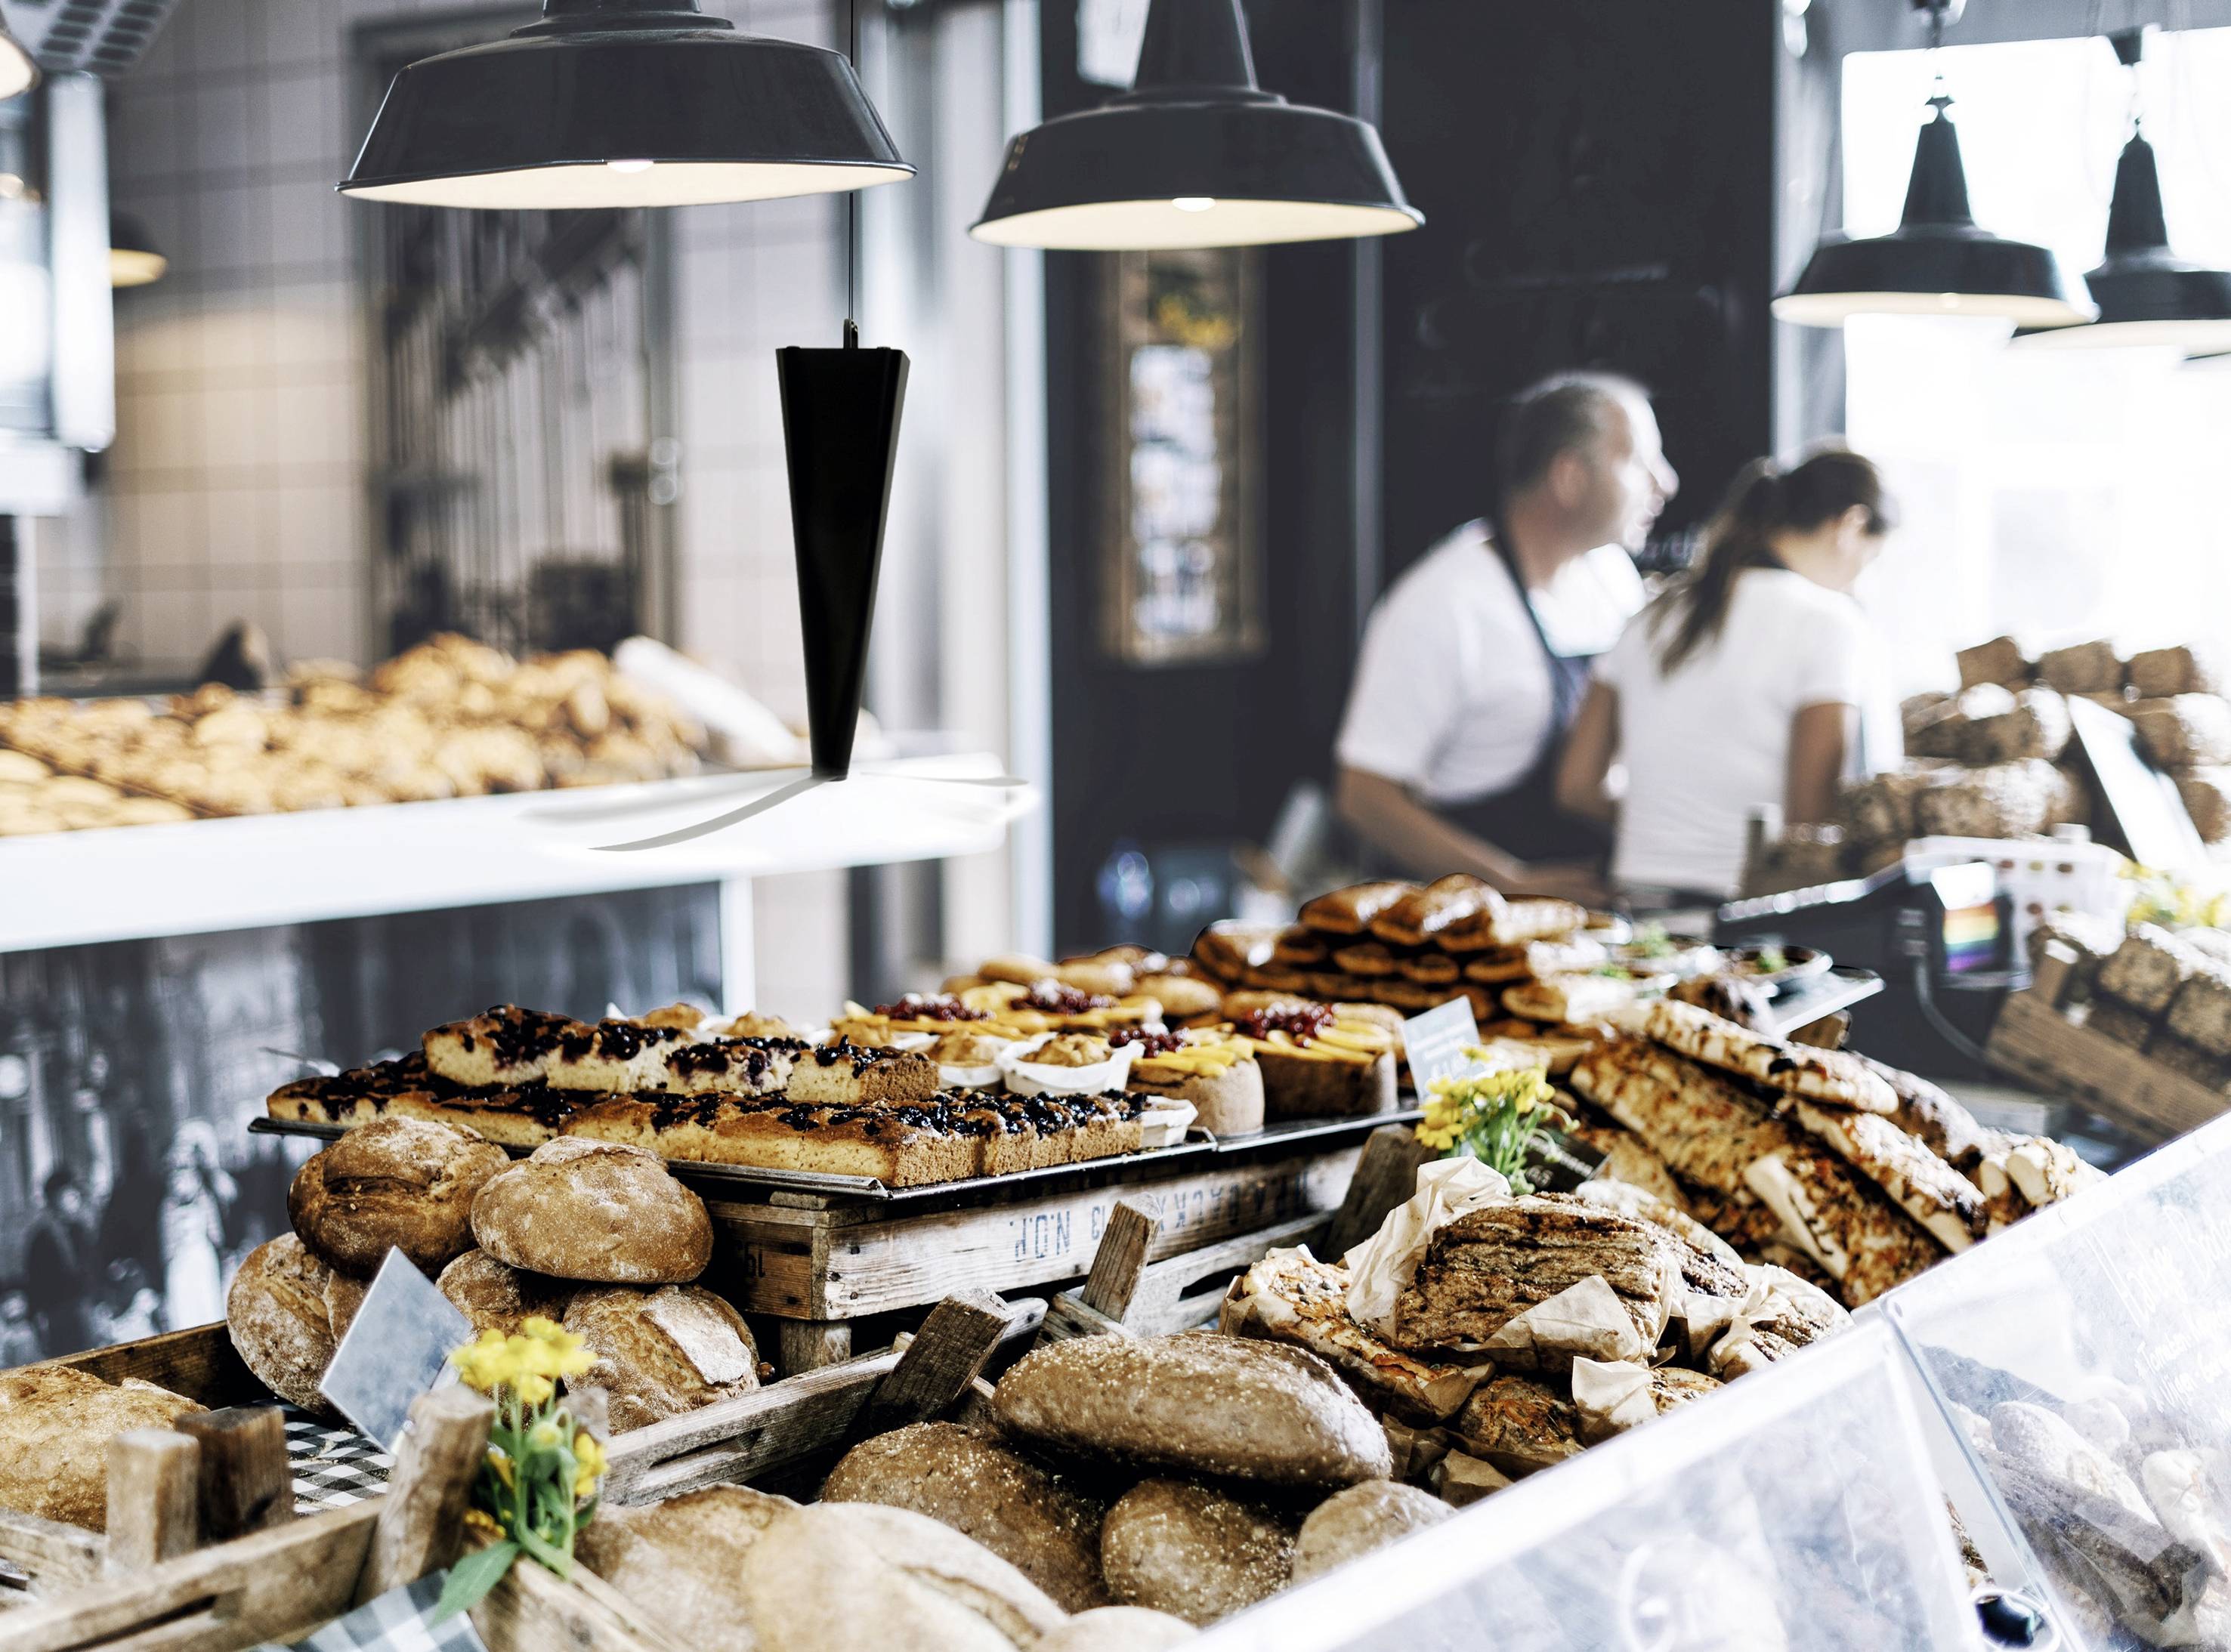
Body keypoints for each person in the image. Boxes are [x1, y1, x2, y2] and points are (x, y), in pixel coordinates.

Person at [1336, 372, 1679, 903]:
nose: (1666, 482)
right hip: (1468, 931)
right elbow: (1364, 796)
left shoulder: (1610, 576)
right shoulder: (1443, 603)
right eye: (1639, 461)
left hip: (1595, 916)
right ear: (1569, 477)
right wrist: (1507, 883)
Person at [1556, 447, 1902, 903]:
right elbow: (1809, 822)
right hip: (1749, 913)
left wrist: (1669, 822)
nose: (1861, 579)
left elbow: (1576, 788)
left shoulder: (1651, 615)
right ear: (1851, 526)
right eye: (1871, 560)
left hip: (1637, 904)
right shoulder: (1830, 623)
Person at [23, 1166, 98, 1357]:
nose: (76, 1200)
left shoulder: (80, 1230)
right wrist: (39, 1318)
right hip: (59, 1315)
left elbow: (92, 1268)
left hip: (84, 1310)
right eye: (70, 1196)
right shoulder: (42, 1237)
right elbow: (35, 1282)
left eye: (76, 1196)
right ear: (55, 1199)